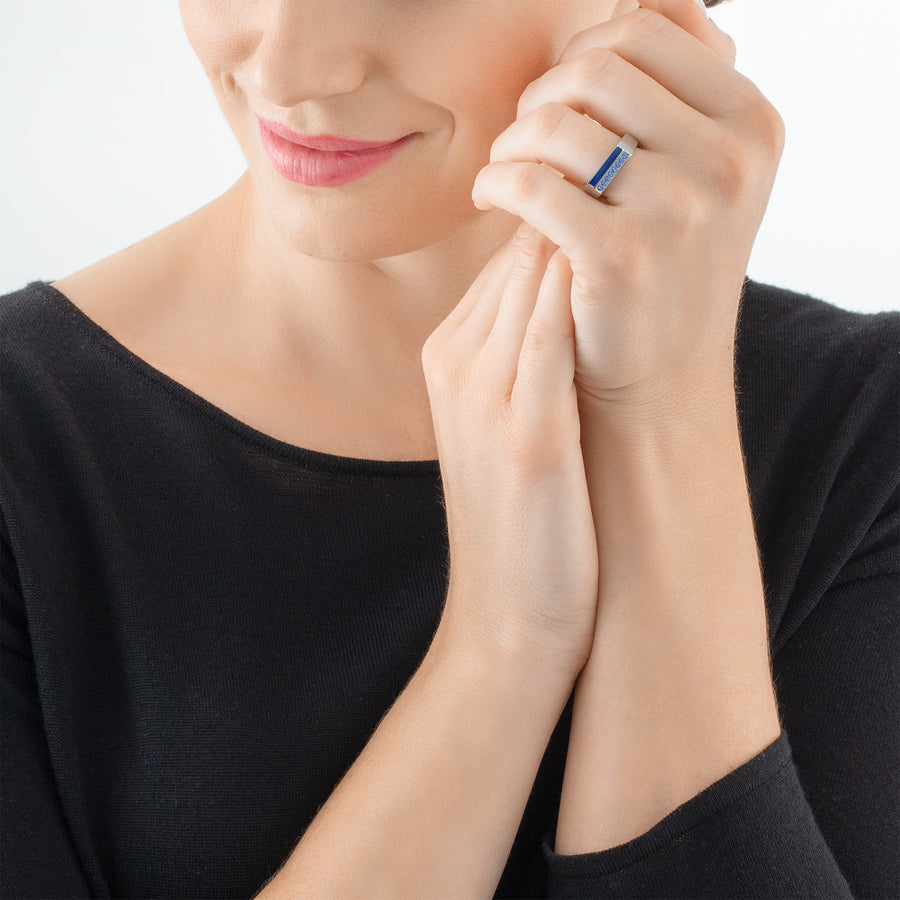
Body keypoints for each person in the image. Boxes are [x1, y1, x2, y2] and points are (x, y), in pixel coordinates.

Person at [1, 0, 897, 896]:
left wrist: (659, 416)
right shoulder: (26, 442)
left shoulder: (863, 438)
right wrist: (502, 645)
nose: (286, 68)